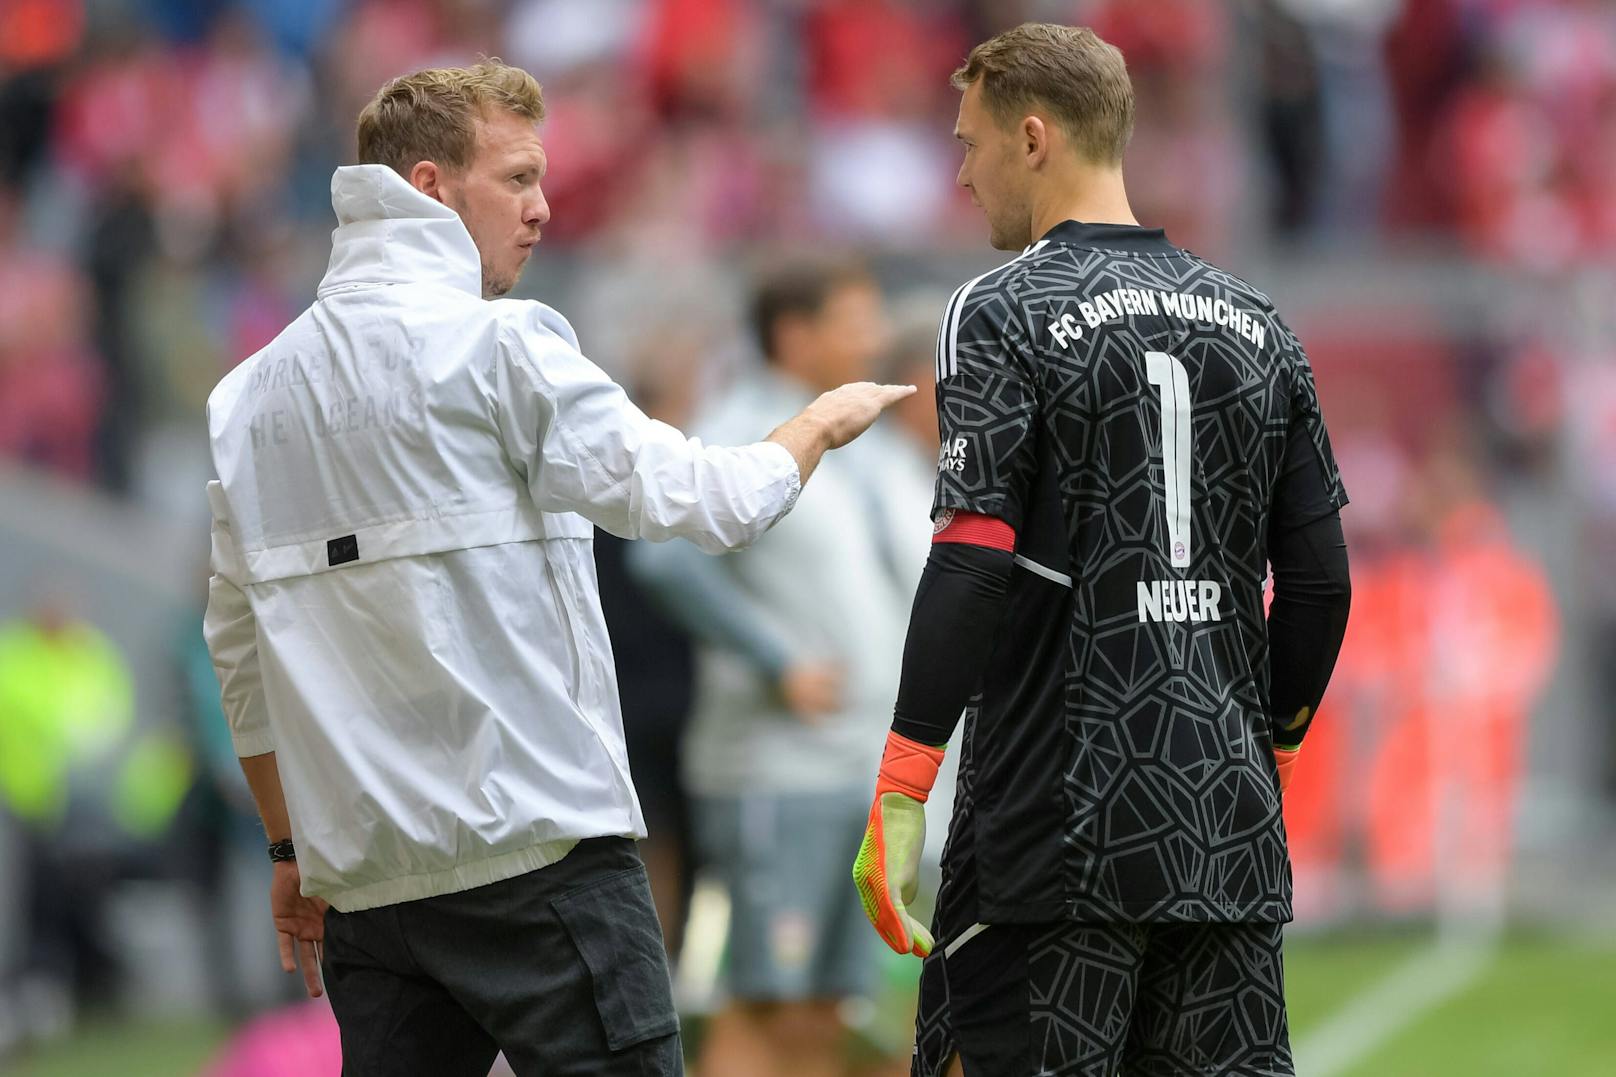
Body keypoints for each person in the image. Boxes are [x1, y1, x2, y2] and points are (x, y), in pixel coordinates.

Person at [202, 60, 913, 1077]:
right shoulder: (504, 346)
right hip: (542, 863)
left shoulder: (245, 400)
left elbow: (237, 652)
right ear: (429, 188)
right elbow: (708, 502)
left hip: (367, 887)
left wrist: (287, 851)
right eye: (519, 178)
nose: (542, 209)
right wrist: (812, 426)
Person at [850, 24, 1352, 1077]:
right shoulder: (1256, 320)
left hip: (1053, 829)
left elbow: (975, 554)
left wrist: (903, 780)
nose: (960, 168)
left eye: (970, 141)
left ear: (1032, 138)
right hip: (1220, 826)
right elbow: (1316, 583)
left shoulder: (1001, 311)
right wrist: (1269, 752)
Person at [630, 259, 913, 1077]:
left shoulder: (866, 442)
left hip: (858, 766)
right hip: (774, 770)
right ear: (795, 333)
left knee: (826, 1013)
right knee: (763, 1003)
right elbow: (666, 561)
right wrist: (777, 659)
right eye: (856, 319)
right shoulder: (742, 426)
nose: (874, 337)